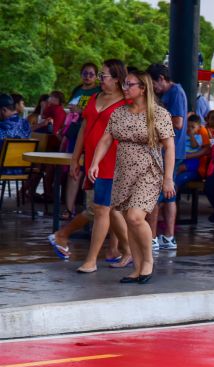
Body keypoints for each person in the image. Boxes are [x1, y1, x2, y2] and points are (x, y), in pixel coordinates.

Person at [89, 70, 176, 284]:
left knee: (136, 217)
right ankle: (137, 268)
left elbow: (170, 146)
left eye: (129, 84)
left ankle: (148, 262)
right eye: (125, 84)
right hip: (124, 171)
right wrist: (94, 163)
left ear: (143, 88)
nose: (125, 88)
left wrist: (168, 178)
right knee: (129, 219)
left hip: (149, 171)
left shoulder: (159, 114)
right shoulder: (119, 113)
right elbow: (106, 139)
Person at [67, 59, 132, 274]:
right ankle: (128, 250)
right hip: (93, 160)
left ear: (116, 79)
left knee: (103, 208)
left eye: (103, 76)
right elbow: (84, 129)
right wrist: (75, 158)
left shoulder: (126, 102)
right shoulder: (95, 97)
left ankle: (91, 260)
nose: (99, 79)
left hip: (114, 161)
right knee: (111, 210)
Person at [146, 63, 187, 251]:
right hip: (170, 151)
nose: (152, 88)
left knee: (156, 195)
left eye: (153, 83)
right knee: (169, 195)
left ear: (161, 79)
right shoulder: (169, 93)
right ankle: (168, 237)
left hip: (170, 151)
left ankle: (152, 237)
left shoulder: (176, 92)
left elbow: (178, 122)